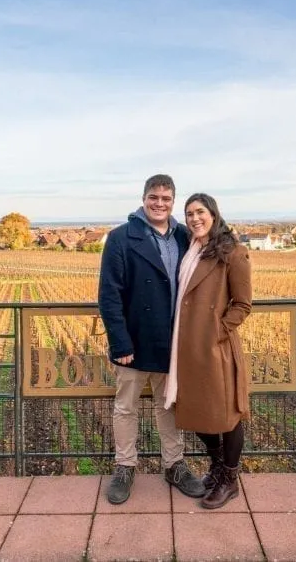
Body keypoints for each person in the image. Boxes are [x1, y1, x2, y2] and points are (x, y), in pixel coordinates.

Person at [98, 174, 206, 504]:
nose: (160, 203)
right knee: (126, 407)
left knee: (169, 405)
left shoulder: (187, 237)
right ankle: (125, 467)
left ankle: (174, 465)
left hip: (172, 342)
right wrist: (120, 343)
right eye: (154, 197)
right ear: (144, 198)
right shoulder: (121, 237)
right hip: (134, 340)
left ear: (174, 201)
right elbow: (109, 294)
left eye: (166, 198)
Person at [165, 192, 252, 509]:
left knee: (227, 416)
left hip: (215, 349)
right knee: (199, 413)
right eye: (188, 214)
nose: (194, 218)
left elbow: (242, 305)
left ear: (214, 214)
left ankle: (229, 479)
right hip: (185, 347)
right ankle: (217, 466)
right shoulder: (191, 249)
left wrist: (217, 331)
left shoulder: (232, 252)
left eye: (199, 212)